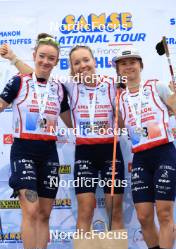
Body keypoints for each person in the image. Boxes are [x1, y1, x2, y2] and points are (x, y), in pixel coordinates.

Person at [0, 43, 126, 232]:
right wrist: (14, 59)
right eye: (77, 63)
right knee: (85, 210)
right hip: (84, 154)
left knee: (114, 211)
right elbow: (35, 76)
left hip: (112, 152)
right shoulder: (68, 84)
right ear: (72, 68)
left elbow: (129, 108)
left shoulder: (112, 84)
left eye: (86, 60)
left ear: (94, 61)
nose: (83, 65)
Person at [0, 33, 71, 249]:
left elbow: (70, 121)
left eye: (51, 58)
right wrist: (12, 58)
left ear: (57, 61)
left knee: (44, 213)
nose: (46, 61)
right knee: (30, 211)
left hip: (49, 154)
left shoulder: (59, 88)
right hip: (23, 152)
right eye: (42, 56)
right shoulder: (19, 81)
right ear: (34, 55)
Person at [112, 47, 176, 249]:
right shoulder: (119, 98)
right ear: (118, 69)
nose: (128, 66)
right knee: (144, 216)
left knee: (165, 214)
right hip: (140, 157)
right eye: (123, 63)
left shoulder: (155, 86)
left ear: (141, 65)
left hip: (163, 153)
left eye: (132, 62)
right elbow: (121, 126)